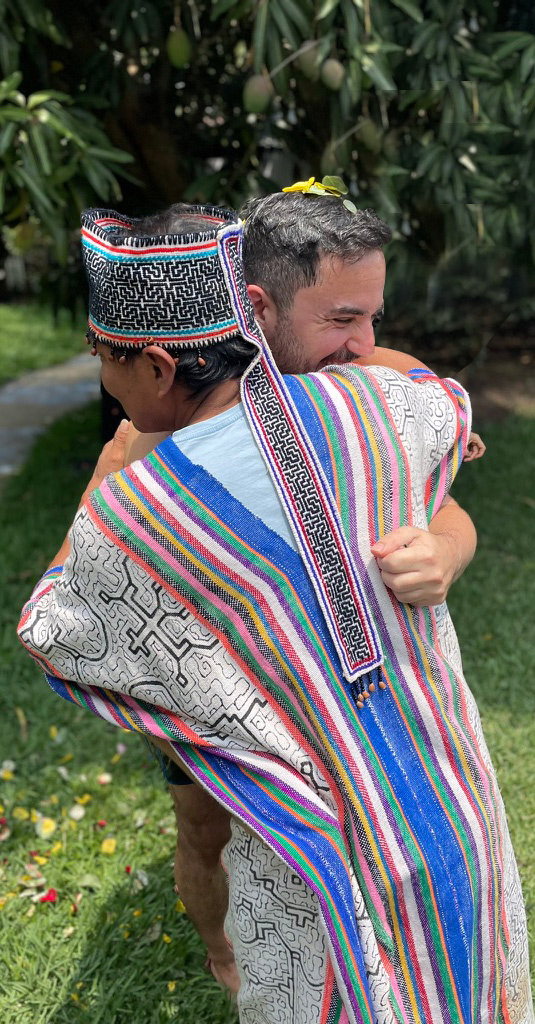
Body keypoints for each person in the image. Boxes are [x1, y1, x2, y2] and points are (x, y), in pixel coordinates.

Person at [18, 201, 532, 1024]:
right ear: (249, 314)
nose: (101, 380)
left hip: (305, 861)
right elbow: (441, 399)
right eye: (342, 318)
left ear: (154, 366)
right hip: (450, 812)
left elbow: (53, 624)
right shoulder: (378, 412)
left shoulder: (133, 513)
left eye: (101, 360)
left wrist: (107, 472)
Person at [123, 188, 484, 992]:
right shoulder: (171, 405)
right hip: (223, 699)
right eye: (340, 320)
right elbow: (102, 551)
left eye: (372, 319)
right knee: (203, 829)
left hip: (349, 704)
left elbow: (448, 508)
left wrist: (443, 554)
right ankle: (227, 952)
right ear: (257, 308)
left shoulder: (376, 381)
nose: (363, 345)